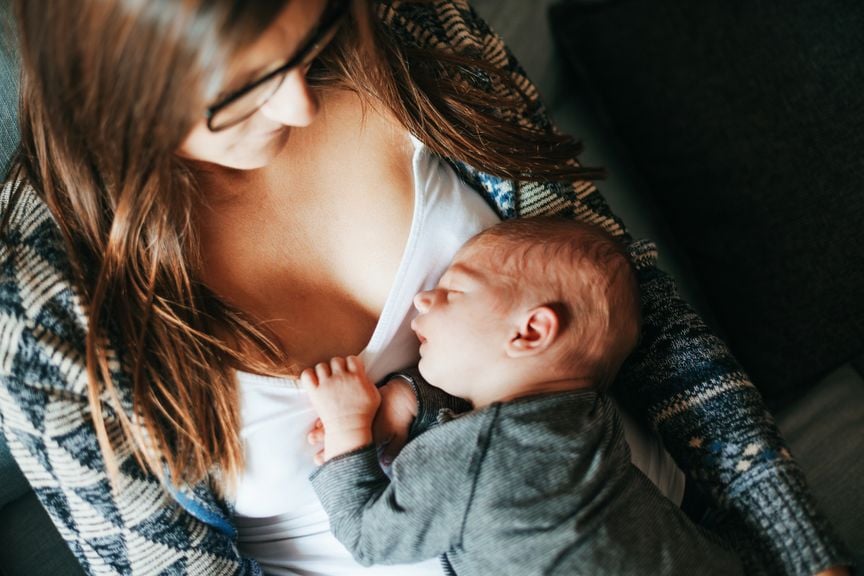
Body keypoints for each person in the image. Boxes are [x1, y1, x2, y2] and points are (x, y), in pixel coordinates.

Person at [0, 0, 850, 574]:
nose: (299, 106)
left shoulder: (412, 31)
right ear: (109, 91)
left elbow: (642, 318)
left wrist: (804, 554)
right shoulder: (42, 313)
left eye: (312, 38)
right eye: (242, 93)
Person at [300, 217, 744, 575]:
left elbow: (369, 538)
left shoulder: (467, 458)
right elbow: (486, 404)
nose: (422, 299)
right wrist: (412, 398)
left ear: (530, 330)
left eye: (453, 291)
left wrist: (347, 429)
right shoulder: (591, 416)